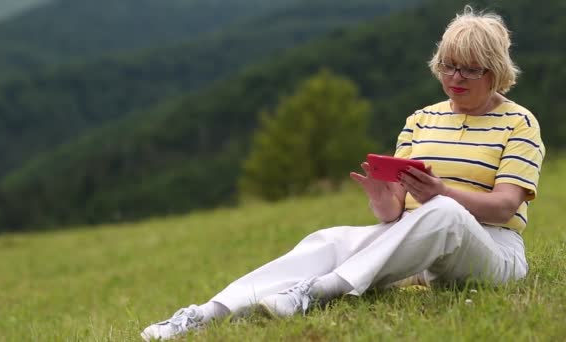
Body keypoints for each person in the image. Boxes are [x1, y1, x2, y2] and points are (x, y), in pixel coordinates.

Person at [141, 6, 545, 341]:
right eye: (447, 66)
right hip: (427, 250)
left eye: (469, 69)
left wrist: (441, 192)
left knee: (444, 212)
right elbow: (395, 216)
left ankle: (318, 292)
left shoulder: (519, 122)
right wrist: (382, 197)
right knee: (329, 239)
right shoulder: (421, 120)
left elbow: (504, 207)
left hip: (493, 253)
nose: (455, 78)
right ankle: (206, 313)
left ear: (495, 71)